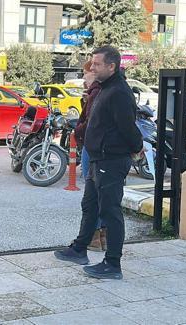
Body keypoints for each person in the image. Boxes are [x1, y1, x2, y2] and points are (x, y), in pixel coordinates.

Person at [54, 45, 143, 280]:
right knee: (90, 205)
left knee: (110, 211)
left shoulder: (119, 92)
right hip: (97, 158)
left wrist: (137, 148)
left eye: (97, 64)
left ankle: (113, 264)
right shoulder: (104, 88)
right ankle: (79, 249)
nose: (92, 67)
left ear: (111, 66)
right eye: (92, 63)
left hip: (111, 160)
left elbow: (128, 128)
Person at [74, 61, 105, 252]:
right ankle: (103, 236)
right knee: (101, 193)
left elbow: (90, 121)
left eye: (86, 73)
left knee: (92, 193)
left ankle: (93, 236)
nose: (84, 77)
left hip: (92, 146)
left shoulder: (97, 92)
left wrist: (77, 130)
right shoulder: (103, 91)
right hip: (102, 148)